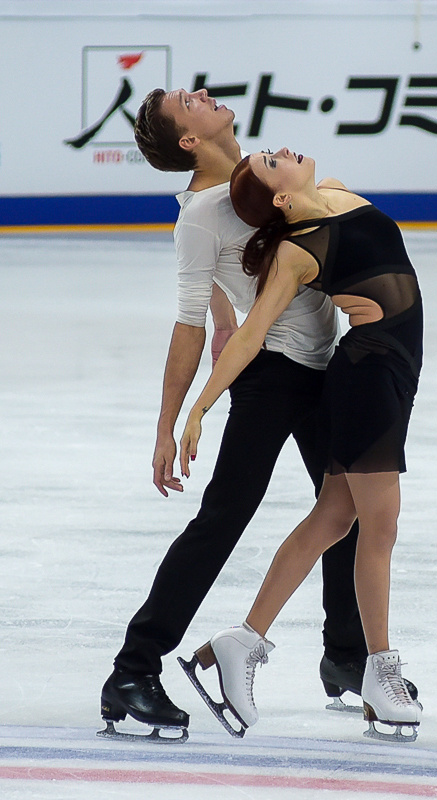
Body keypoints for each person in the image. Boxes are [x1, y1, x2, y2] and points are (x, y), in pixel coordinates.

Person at [99, 89, 371, 740]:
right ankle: (133, 670)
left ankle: (346, 655)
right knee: (225, 516)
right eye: (186, 104)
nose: (202, 95)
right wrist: (170, 422)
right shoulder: (199, 215)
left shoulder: (263, 167)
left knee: (348, 504)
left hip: (324, 360)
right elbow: (188, 321)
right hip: (271, 373)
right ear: (188, 141)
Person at [178, 148, 424, 738]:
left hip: (392, 371)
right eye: (269, 162)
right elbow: (250, 334)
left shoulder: (336, 189)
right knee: (378, 527)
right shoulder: (296, 251)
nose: (279, 151)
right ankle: (380, 673)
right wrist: (199, 407)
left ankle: (243, 642)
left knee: (335, 517)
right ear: (281, 200)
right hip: (367, 375)